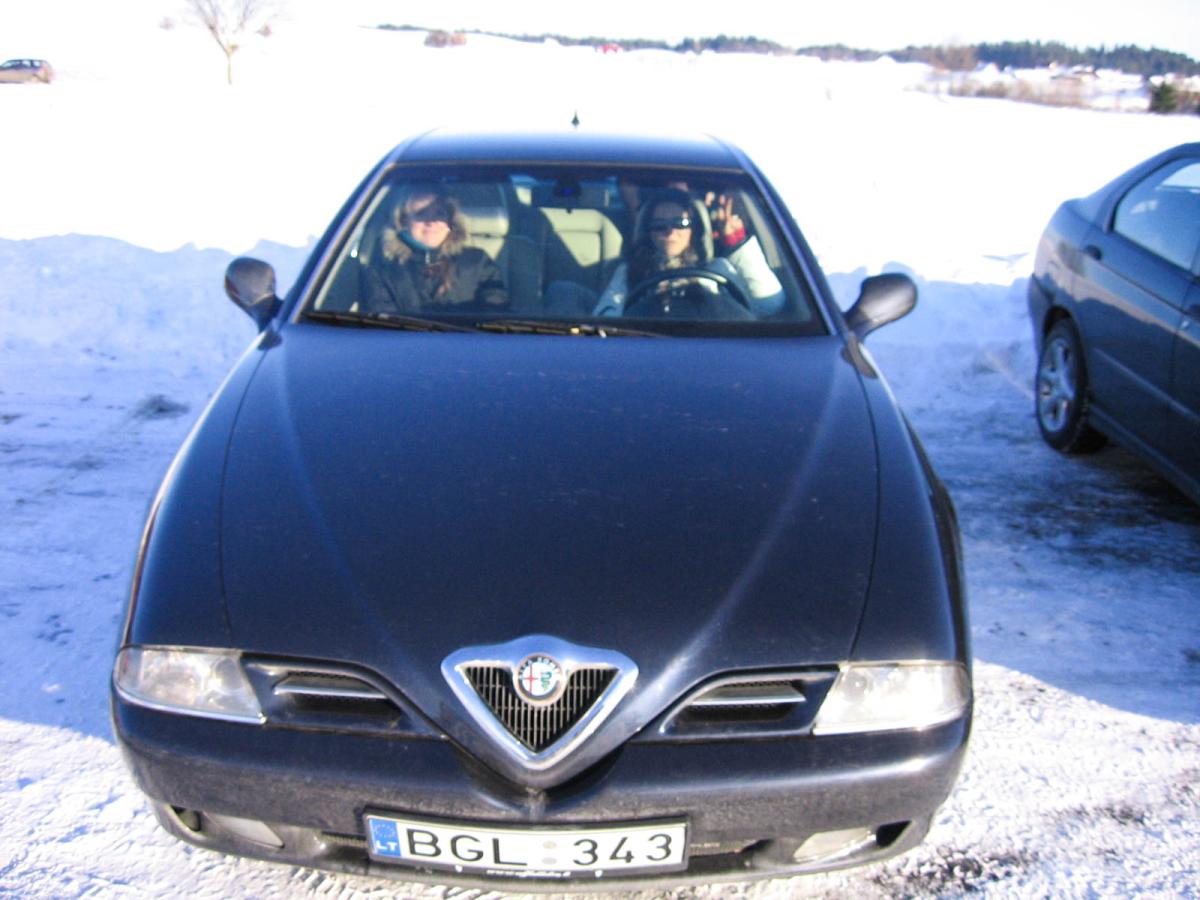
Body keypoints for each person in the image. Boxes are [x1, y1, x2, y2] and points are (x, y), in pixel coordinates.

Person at [591, 187, 783, 320]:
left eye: (680, 223)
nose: (670, 232)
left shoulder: (718, 268)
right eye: (659, 225)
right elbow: (606, 318)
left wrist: (736, 243)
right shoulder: (628, 272)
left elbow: (769, 305)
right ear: (648, 232)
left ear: (694, 230)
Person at [361, 188, 508, 314]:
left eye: (440, 213)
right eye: (421, 214)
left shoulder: (477, 261)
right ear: (404, 221)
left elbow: (496, 311)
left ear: (450, 222)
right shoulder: (382, 271)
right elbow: (383, 326)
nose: (431, 222)